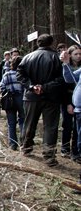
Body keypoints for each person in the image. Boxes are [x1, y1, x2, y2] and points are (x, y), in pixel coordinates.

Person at [17, 34, 64, 166]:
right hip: (50, 97)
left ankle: (26, 148)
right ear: (51, 43)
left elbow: (19, 75)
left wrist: (33, 87)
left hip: (33, 97)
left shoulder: (27, 57)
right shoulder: (56, 57)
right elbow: (61, 79)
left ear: (38, 43)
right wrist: (41, 87)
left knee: (29, 123)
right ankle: (49, 156)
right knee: (50, 126)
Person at [60, 45, 81, 163]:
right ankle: (65, 148)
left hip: (78, 104)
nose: (78, 56)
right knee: (67, 125)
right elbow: (65, 84)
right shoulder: (67, 68)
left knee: (77, 129)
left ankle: (75, 151)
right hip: (68, 100)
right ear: (70, 55)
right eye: (76, 54)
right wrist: (68, 103)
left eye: (80, 54)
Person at [0, 56, 25, 151]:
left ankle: (12, 144)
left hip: (9, 98)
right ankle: (23, 143)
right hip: (21, 97)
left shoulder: (6, 74)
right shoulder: (23, 75)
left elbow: (2, 86)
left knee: (11, 122)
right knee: (23, 120)